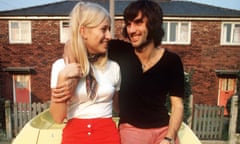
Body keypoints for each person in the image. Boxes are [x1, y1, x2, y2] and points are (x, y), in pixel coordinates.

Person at [56, 0, 184, 144]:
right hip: (131, 129)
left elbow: (177, 105)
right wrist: (71, 63)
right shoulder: (119, 51)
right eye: (128, 24)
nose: (131, 30)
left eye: (138, 23)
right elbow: (79, 42)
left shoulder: (172, 61)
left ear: (153, 24)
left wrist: (169, 137)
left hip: (163, 130)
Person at [49, 1, 121, 144]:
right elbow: (58, 117)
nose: (109, 36)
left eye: (109, 29)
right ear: (83, 31)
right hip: (74, 137)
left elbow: (119, 108)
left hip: (108, 137)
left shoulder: (114, 67)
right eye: (104, 29)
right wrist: (63, 77)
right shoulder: (61, 66)